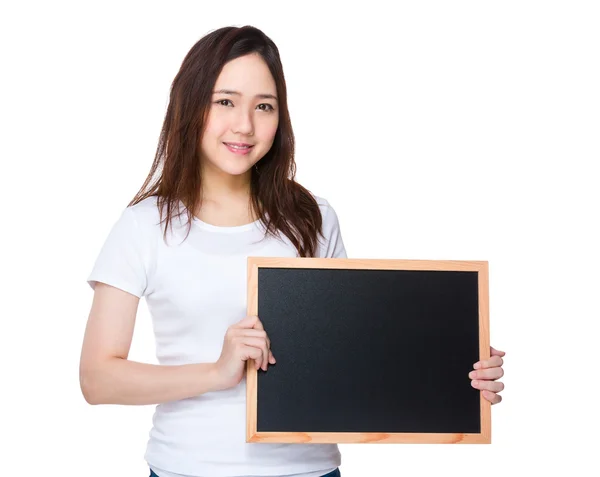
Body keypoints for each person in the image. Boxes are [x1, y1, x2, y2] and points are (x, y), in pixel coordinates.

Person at [79, 25, 506, 477]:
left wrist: (454, 367)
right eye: (225, 101)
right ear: (190, 106)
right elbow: (97, 378)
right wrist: (217, 371)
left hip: (309, 471)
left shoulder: (312, 217)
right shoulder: (145, 224)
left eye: (263, 106)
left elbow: (353, 351)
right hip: (186, 467)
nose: (244, 125)